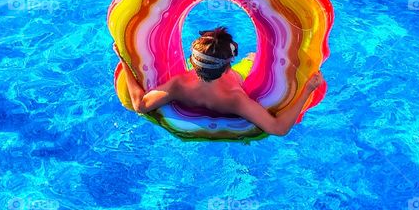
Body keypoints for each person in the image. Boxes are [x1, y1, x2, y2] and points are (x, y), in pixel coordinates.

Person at [116, 26, 325, 136]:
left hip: (198, 80)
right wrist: (307, 89)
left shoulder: (178, 84)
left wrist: (123, 60)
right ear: (227, 67)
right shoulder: (235, 99)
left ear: (190, 61)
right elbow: (278, 129)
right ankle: (248, 59)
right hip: (237, 78)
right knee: (253, 58)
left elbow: (140, 105)